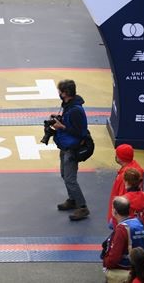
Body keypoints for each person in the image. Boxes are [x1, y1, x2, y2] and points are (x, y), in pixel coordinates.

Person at [52, 79, 90, 221]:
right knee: (64, 174)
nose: (59, 94)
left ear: (66, 93)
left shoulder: (76, 111)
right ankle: (73, 199)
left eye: (60, 92)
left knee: (70, 179)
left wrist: (62, 127)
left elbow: (80, 132)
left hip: (72, 148)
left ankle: (82, 207)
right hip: (65, 145)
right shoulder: (68, 106)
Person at [102, 196, 144, 283]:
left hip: (126, 268)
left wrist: (105, 262)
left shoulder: (121, 230)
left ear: (114, 211)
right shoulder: (138, 222)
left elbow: (114, 259)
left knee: (108, 271)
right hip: (141, 267)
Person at [106, 144, 144, 225]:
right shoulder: (136, 169)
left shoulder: (125, 176)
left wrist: (115, 219)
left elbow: (122, 201)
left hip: (122, 219)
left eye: (117, 154)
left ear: (121, 158)